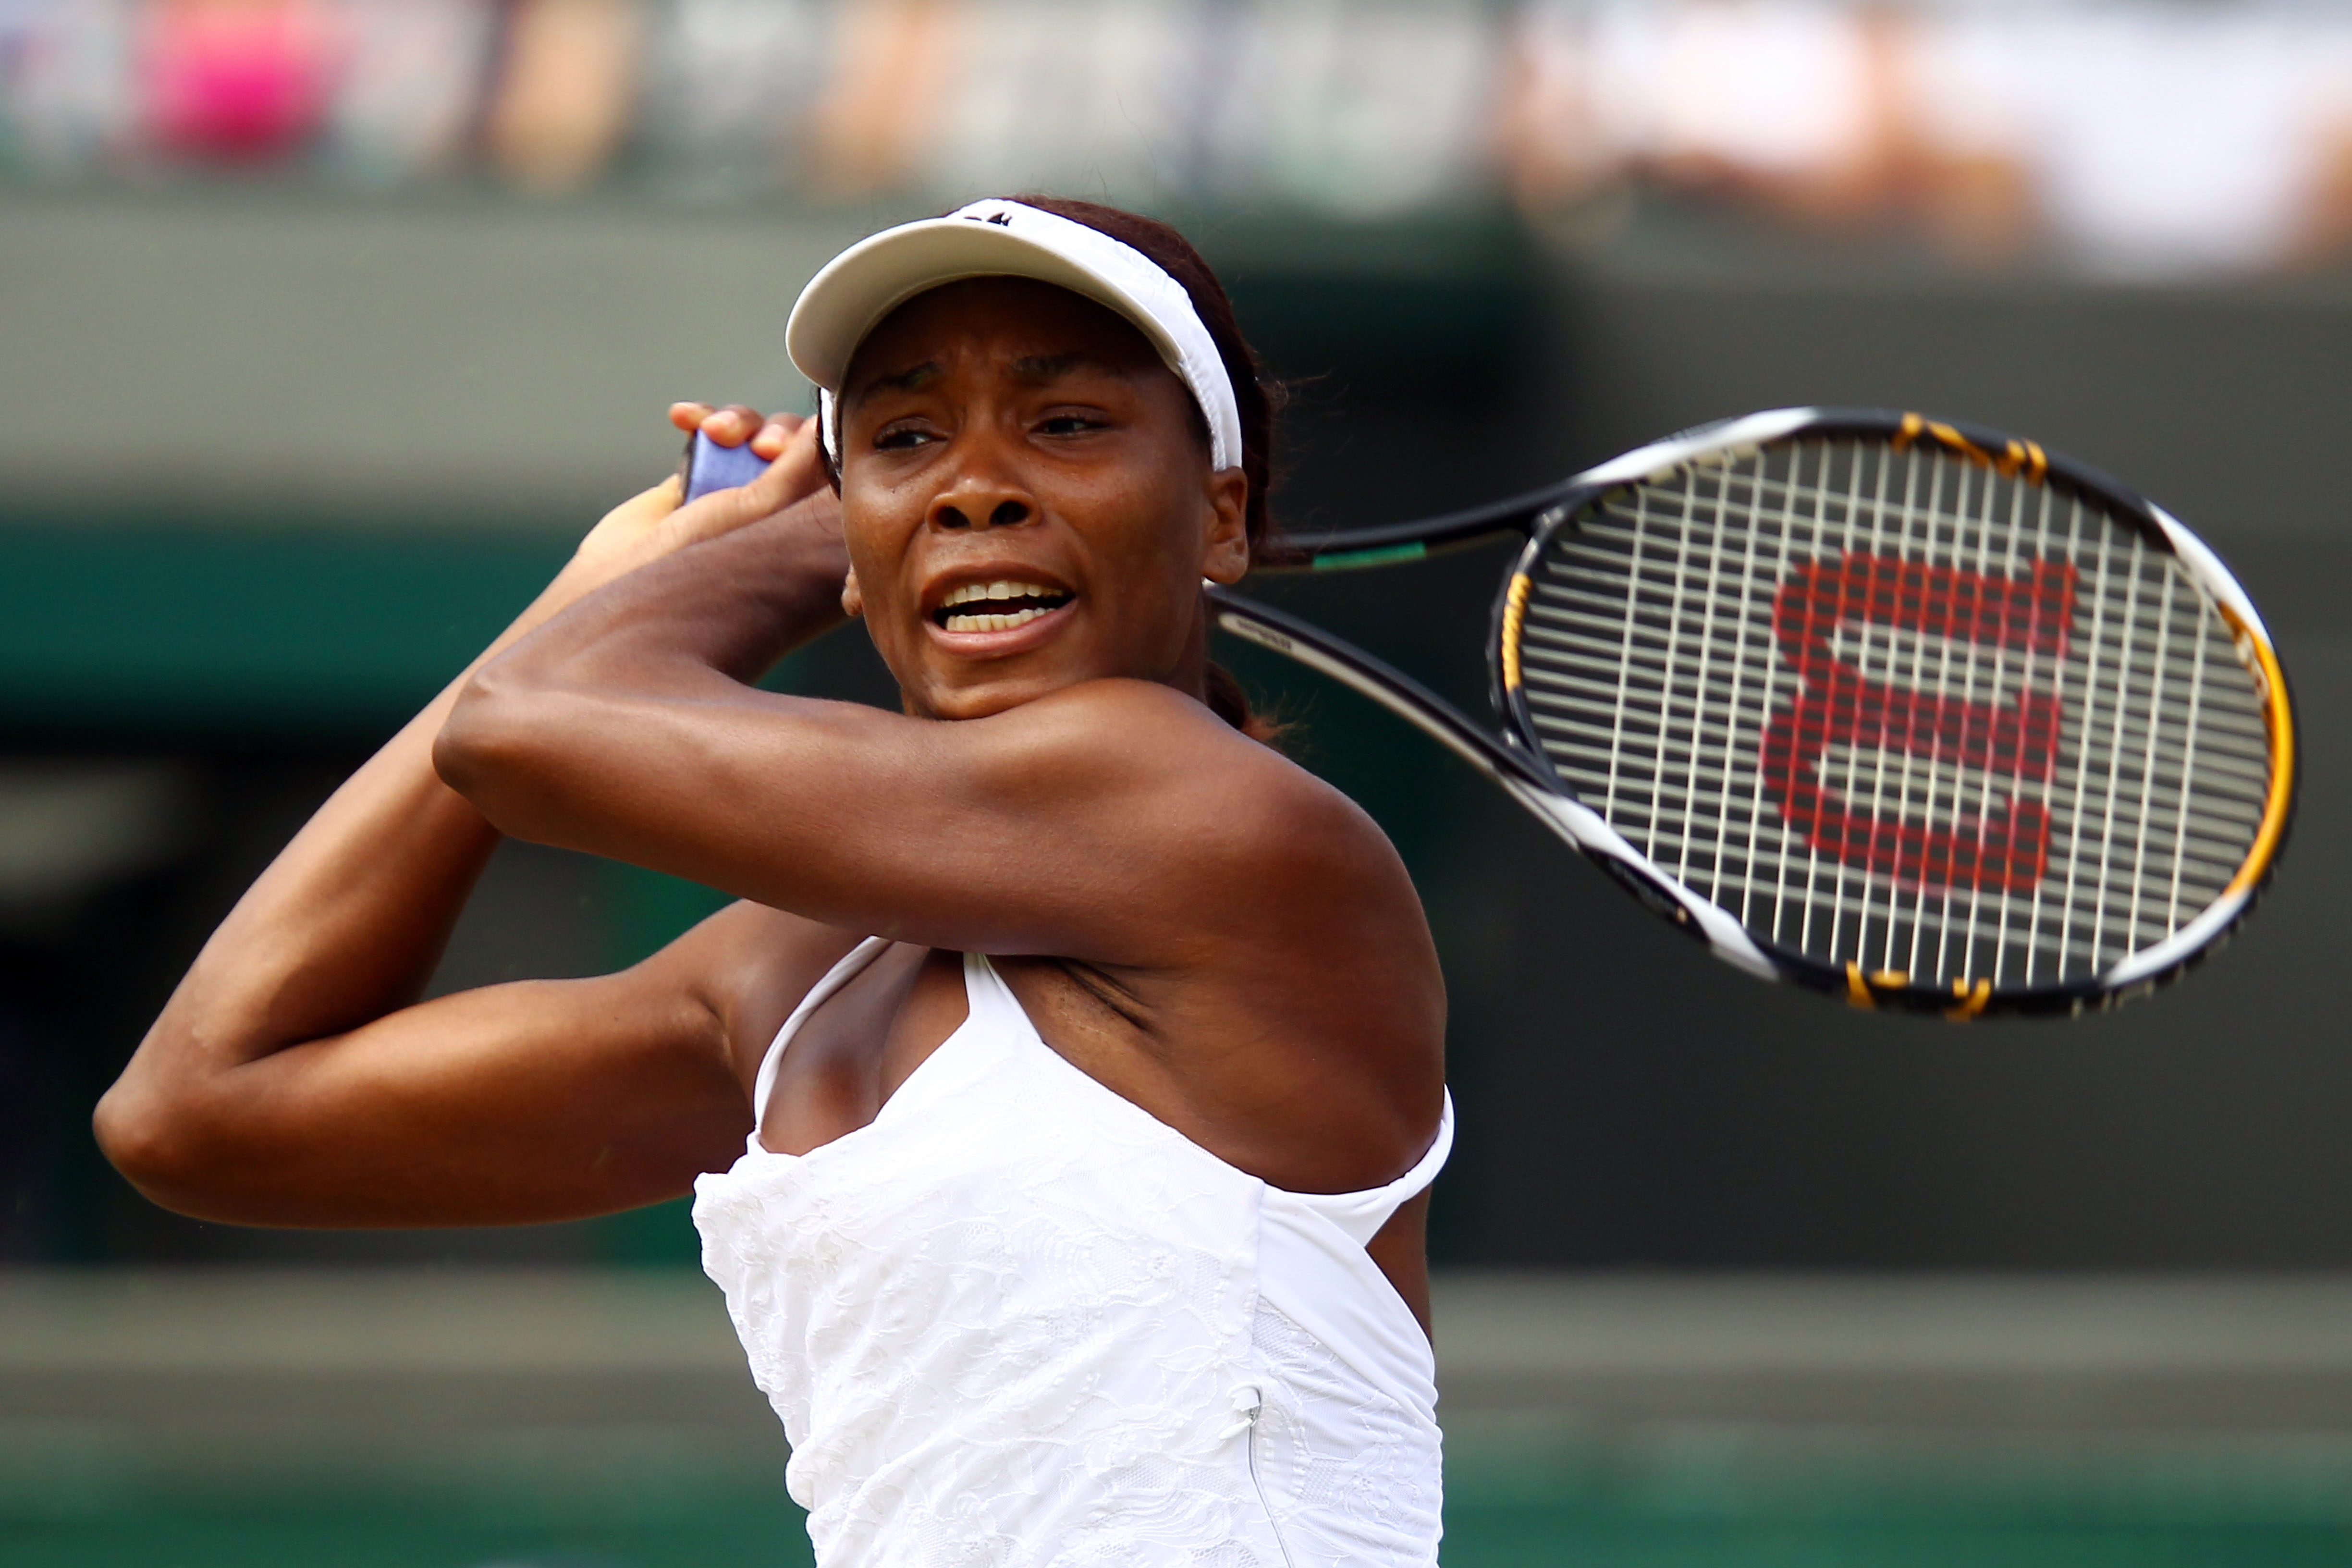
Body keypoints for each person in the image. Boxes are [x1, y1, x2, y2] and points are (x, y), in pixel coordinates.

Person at [95, 196, 1450, 1566]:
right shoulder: (789, 978)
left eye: (1068, 425)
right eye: (907, 436)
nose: (975, 482)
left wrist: (796, 542)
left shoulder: (1223, 828)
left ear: (1220, 515)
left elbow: (524, 726)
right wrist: (636, 583)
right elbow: (199, 1112)